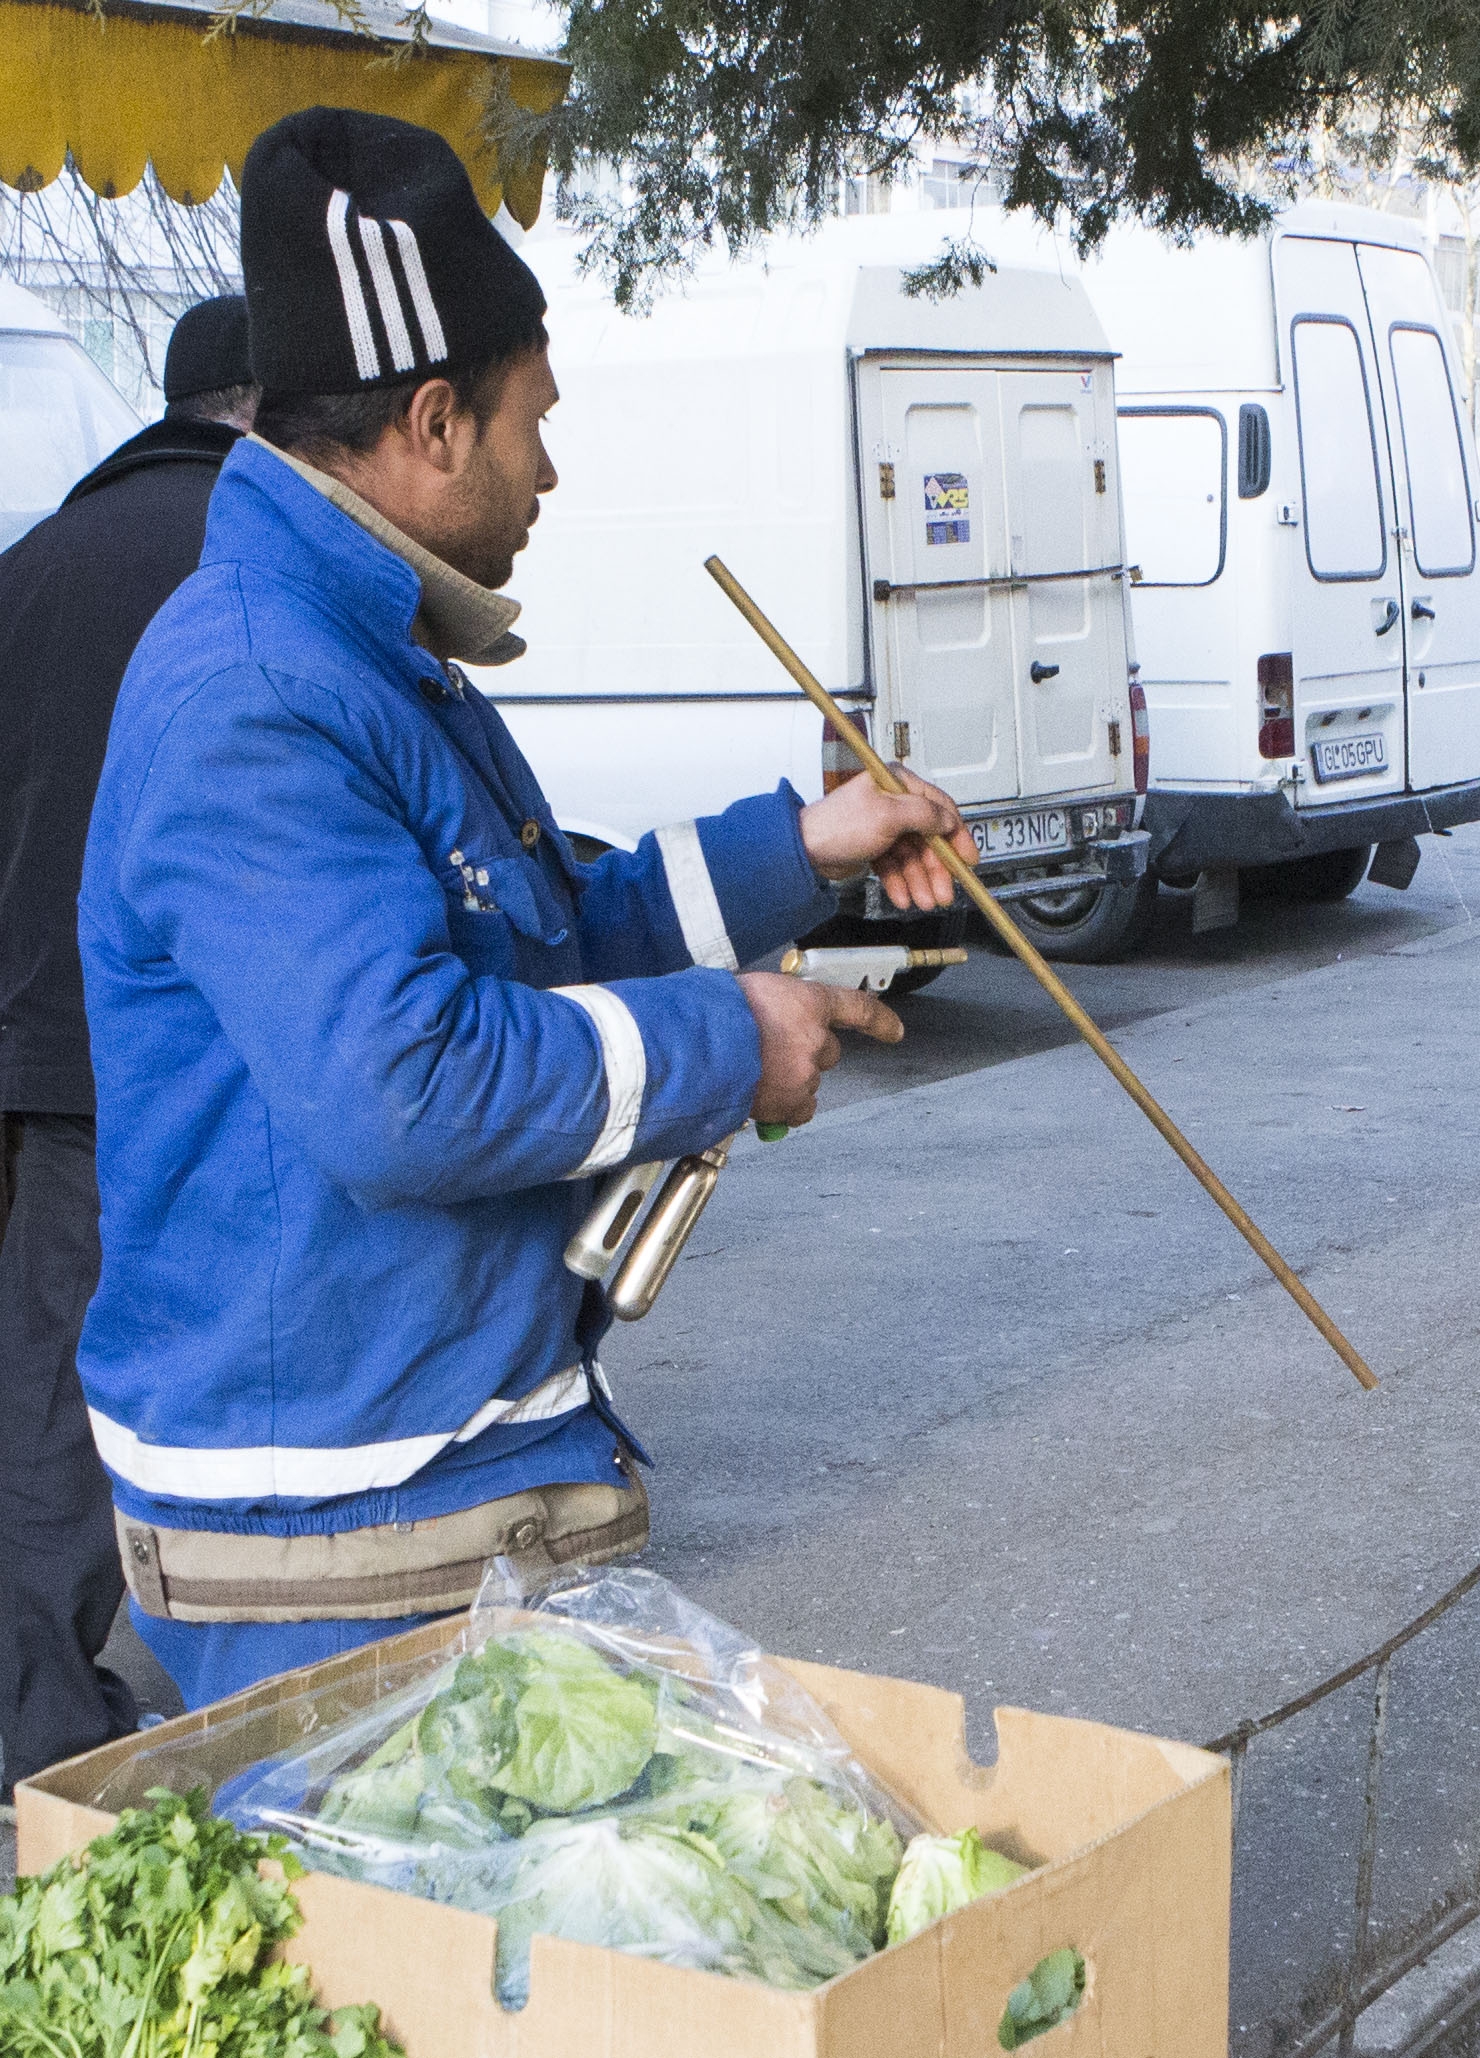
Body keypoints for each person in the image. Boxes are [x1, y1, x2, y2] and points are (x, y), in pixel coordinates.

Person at [78, 107, 978, 1711]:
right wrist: (730, 1040)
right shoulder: (264, 693)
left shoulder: (364, 647)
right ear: (433, 419)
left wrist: (809, 850)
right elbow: (403, 1084)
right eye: (529, 423)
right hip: (332, 1522)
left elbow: (547, 934)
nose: (549, 470)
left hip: (412, 1469)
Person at [0, 295, 256, 1789]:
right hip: (205, 1040)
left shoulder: (30, 567)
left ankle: (45, 1683)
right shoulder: (250, 565)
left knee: (49, 1376)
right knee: (231, 1360)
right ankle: (64, 1715)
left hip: (50, 1050)